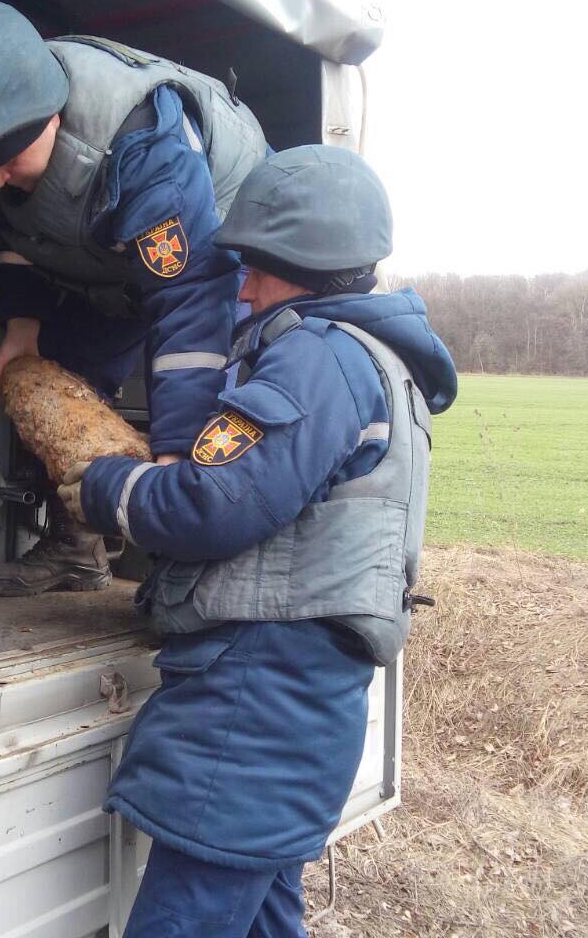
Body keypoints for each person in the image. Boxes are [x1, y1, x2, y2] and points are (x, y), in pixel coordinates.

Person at [58, 145, 458, 936]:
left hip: (256, 711)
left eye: (256, 269)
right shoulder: (379, 363)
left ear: (305, 270)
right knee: (266, 914)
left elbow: (217, 502)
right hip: (294, 710)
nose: (240, 286)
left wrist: (106, 487)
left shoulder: (316, 358)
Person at [0, 0, 268, 597]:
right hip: (115, 258)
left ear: (49, 117)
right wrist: (23, 323)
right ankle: (78, 547)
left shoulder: (147, 150)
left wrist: (175, 456)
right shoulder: (0, 126)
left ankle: (205, 571)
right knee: (54, 375)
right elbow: (22, 231)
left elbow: (191, 302)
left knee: (219, 392)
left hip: (217, 252)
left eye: (2, 159)